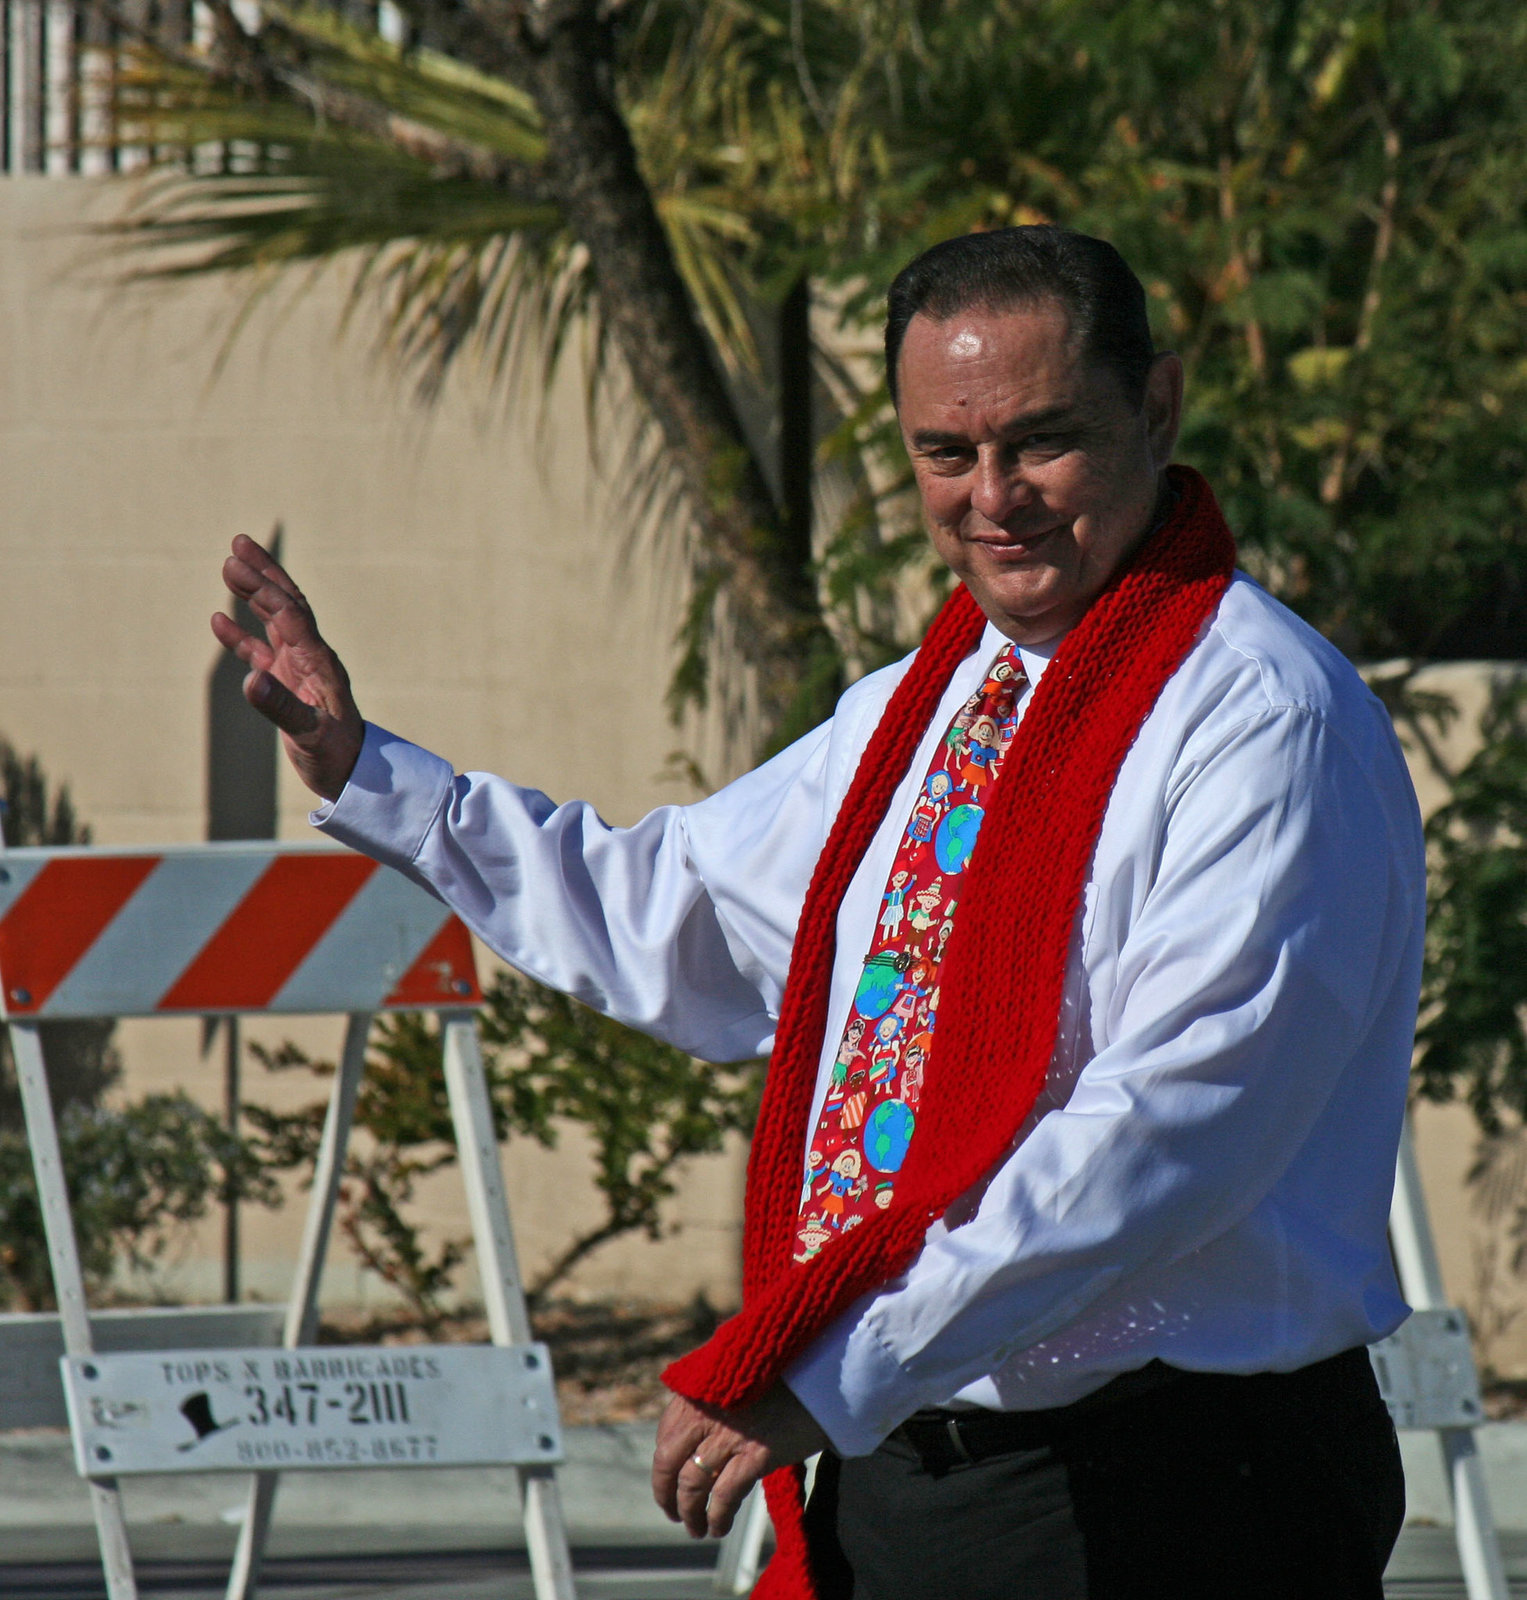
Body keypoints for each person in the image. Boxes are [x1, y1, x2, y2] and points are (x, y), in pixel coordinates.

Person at [212, 226, 1423, 1599]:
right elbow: (684, 912)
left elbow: (1165, 1139)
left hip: (1180, 1490)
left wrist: (842, 1363)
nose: (995, 496)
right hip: (925, 1470)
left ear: (1157, 408)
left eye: (1042, 441)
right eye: (944, 455)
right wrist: (372, 774)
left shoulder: (1263, 720)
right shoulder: (935, 703)